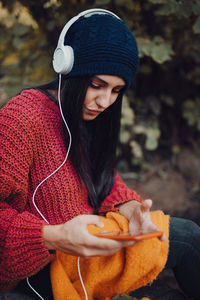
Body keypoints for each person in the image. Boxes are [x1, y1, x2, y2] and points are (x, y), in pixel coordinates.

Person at [0, 8, 199, 300]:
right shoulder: (21, 118)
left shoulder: (89, 115)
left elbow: (101, 178)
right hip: (43, 271)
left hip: (91, 253)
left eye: (117, 91)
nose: (105, 101)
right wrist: (54, 237)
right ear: (66, 67)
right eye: (97, 85)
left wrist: (129, 208)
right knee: (179, 261)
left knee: (180, 266)